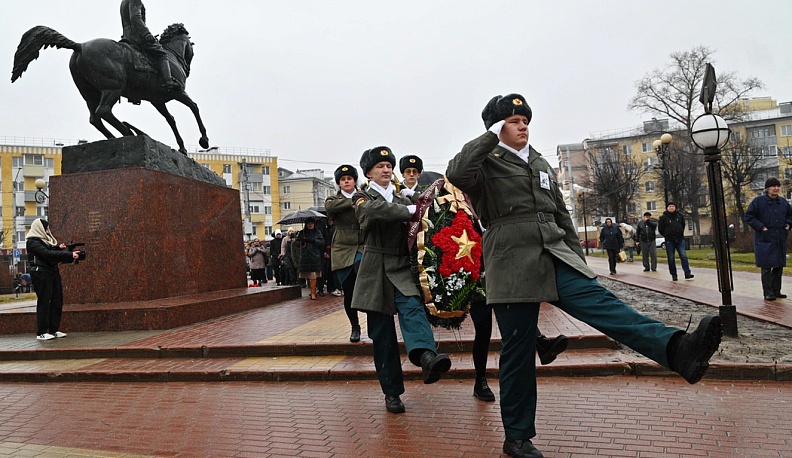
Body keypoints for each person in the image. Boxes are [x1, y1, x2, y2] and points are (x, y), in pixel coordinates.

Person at [446, 93, 722, 458]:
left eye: (525, 118)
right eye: (514, 120)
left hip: (554, 253)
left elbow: (562, 216)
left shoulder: (541, 163)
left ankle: (676, 350)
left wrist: (578, 260)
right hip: (511, 261)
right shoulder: (485, 162)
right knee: (517, 353)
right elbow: (456, 172)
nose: (523, 124)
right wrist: (491, 136)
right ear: (497, 127)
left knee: (606, 306)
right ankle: (517, 437)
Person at [352, 146, 451, 414]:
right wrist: (409, 209)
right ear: (369, 172)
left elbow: (430, 213)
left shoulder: (401, 197)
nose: (386, 170)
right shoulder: (362, 196)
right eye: (380, 166)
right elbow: (371, 213)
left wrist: (417, 202)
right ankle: (392, 392)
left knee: (413, 309)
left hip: (400, 266)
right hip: (375, 270)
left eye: (388, 166)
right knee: (382, 336)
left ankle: (426, 357)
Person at [470, 298, 568, 403]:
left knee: (515, 313)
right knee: (483, 332)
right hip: (477, 289)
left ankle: (541, 342)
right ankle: (480, 380)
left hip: (498, 288)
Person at [326, 164, 364, 341]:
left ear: (355, 180)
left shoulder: (366, 196)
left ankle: (375, 325)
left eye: (349, 178)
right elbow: (332, 207)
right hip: (342, 247)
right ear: (339, 183)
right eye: (343, 179)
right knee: (348, 291)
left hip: (363, 244)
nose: (347, 181)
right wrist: (355, 201)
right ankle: (355, 327)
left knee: (367, 285)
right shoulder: (333, 200)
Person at [26, 218, 79, 341]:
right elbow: (46, 254)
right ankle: (42, 332)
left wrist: (60, 249)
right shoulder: (33, 242)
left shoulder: (46, 241)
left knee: (57, 300)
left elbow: (51, 253)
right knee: (45, 301)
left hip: (52, 272)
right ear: (39, 228)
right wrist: (69, 255)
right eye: (45, 228)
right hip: (41, 273)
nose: (47, 230)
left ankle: (53, 329)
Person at [745, 177, 792, 301]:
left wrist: (788, 224)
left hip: (779, 237)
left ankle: (777, 290)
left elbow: (790, 215)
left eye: (778, 186)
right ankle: (768, 292)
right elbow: (749, 216)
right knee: (766, 266)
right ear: (767, 188)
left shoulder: (783, 202)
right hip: (764, 237)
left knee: (778, 265)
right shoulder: (758, 201)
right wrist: (761, 227)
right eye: (773, 186)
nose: (776, 188)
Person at [119, 0, 180, 90]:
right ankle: (168, 81)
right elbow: (135, 18)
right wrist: (146, 33)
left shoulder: (124, 1)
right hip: (137, 36)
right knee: (161, 53)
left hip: (127, 35)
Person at [658, 202, 694, 281]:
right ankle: (674, 274)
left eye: (673, 206)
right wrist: (666, 235)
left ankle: (687, 273)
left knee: (683, 256)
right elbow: (660, 229)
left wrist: (680, 232)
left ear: (675, 207)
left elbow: (683, 225)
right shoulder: (663, 217)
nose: (671, 208)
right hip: (669, 240)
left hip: (680, 239)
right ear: (667, 208)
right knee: (671, 258)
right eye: (670, 206)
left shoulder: (679, 216)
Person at [296, 218, 325, 300]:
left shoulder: (317, 232)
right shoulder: (302, 233)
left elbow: (322, 243)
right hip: (305, 257)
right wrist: (302, 242)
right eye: (308, 223)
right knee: (308, 275)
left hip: (314, 256)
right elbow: (296, 244)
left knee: (313, 275)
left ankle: (313, 292)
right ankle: (312, 290)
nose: (310, 225)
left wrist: (313, 241)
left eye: (312, 223)